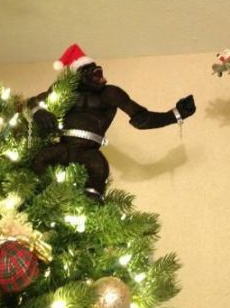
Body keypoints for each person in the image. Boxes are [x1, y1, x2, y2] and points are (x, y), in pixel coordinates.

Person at [26, 44, 196, 202]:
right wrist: (39, 111)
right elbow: (32, 102)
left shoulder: (110, 94)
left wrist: (175, 114)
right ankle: (38, 199)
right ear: (78, 76)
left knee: (99, 168)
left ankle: (90, 206)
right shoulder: (64, 91)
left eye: (97, 70)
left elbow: (141, 119)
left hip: (88, 151)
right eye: (90, 71)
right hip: (63, 146)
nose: (100, 77)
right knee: (40, 159)